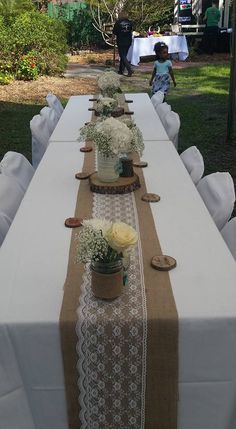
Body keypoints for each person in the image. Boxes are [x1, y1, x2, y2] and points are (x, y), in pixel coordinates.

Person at [113, 11, 133, 77]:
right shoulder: (129, 22)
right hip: (129, 41)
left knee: (122, 56)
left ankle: (129, 69)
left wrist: (112, 38)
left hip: (121, 41)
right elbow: (131, 31)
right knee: (124, 55)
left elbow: (114, 32)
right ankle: (121, 70)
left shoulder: (118, 23)